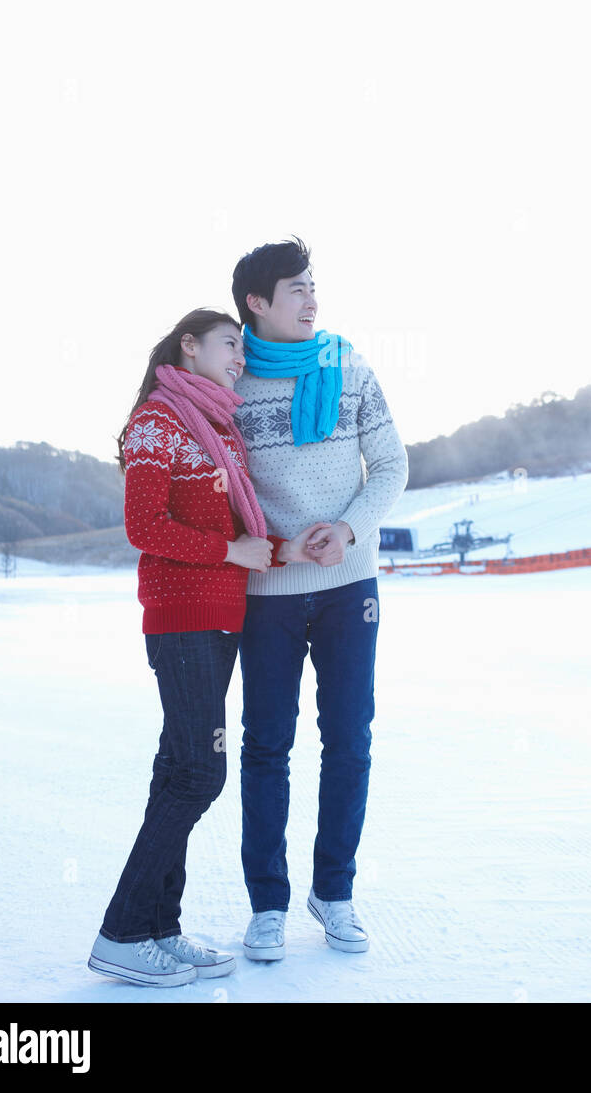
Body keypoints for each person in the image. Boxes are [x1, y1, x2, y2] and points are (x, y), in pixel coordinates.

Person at [87, 308, 328, 987]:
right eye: (230, 345)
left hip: (219, 617)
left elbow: (239, 541)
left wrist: (287, 548)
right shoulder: (158, 422)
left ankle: (159, 926)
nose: (239, 360)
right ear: (189, 346)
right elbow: (144, 526)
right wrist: (230, 549)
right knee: (199, 772)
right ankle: (124, 930)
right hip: (181, 617)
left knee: (177, 770)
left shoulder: (218, 427)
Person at [230, 237, 409, 960]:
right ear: (257, 302)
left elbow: (392, 464)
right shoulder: (229, 383)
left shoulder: (350, 366)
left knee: (350, 741)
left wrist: (348, 527)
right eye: (296, 288)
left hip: (349, 586)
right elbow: (219, 491)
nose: (312, 298)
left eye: (314, 286)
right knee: (266, 745)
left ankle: (333, 892)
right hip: (268, 591)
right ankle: (267, 904)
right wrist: (275, 549)